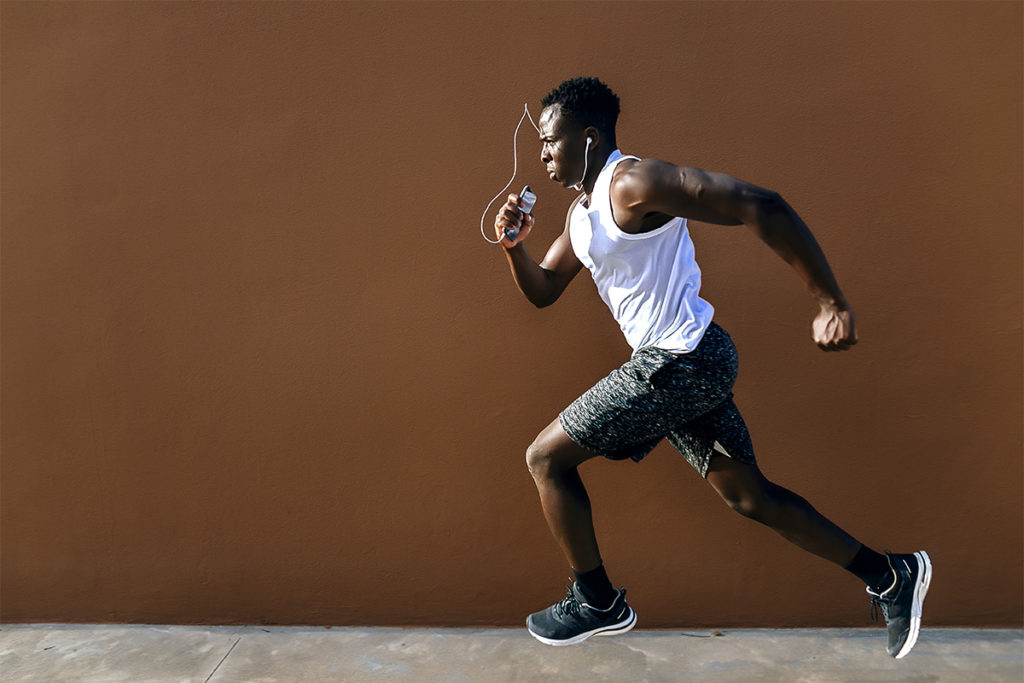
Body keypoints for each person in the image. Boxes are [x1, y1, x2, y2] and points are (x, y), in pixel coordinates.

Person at [492, 77, 931, 659]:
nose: (543, 154)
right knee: (750, 497)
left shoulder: (632, 182)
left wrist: (831, 301)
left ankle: (597, 601)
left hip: (679, 360)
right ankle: (891, 575)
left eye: (550, 141)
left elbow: (760, 204)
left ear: (589, 138)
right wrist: (513, 248)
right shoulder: (582, 215)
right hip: (688, 363)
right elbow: (545, 290)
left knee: (544, 457)